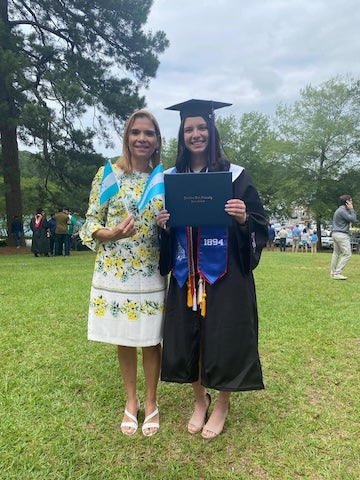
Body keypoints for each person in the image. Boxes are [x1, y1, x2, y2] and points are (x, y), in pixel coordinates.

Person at [156, 99, 267, 439]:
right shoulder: (170, 178)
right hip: (185, 271)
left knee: (223, 335)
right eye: (189, 128)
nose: (196, 134)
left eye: (201, 127)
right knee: (193, 336)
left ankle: (222, 403)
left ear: (212, 130)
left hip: (225, 272)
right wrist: (162, 224)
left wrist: (244, 217)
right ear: (182, 134)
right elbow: (164, 224)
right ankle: (199, 400)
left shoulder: (235, 175)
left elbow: (260, 223)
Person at [80, 110, 166, 437]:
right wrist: (110, 233)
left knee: (151, 339)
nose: (142, 139)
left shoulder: (163, 179)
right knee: (125, 338)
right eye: (136, 132)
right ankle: (132, 401)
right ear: (127, 137)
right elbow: (89, 222)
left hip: (151, 270)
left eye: (149, 133)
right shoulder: (107, 175)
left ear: (157, 140)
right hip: (115, 271)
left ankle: (153, 402)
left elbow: (170, 225)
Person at [330, 195, 357, 280]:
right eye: (350, 201)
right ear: (347, 202)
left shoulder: (339, 210)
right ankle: (337, 273)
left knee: (336, 254)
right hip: (341, 235)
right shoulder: (342, 211)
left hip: (335, 233)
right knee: (347, 254)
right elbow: (353, 219)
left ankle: (333, 273)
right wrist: (352, 209)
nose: (352, 202)